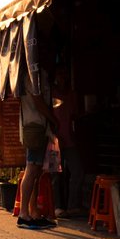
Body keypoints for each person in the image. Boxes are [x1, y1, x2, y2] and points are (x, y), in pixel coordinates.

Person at [17, 69, 58, 229]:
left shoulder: (39, 74)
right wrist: (53, 118)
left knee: (36, 170)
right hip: (34, 125)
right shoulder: (33, 75)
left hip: (39, 125)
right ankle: (23, 214)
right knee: (32, 167)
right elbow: (38, 102)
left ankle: (33, 212)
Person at [53, 70, 84, 217]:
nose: (63, 78)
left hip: (70, 139)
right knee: (57, 174)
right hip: (55, 140)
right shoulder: (52, 94)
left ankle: (73, 205)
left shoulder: (72, 95)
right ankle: (58, 206)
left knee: (77, 171)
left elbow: (74, 115)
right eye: (60, 75)